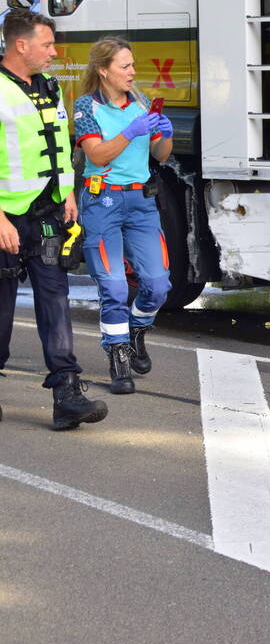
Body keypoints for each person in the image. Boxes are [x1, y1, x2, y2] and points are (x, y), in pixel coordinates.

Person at [0, 9, 108, 430]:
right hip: (6, 219)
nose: (54, 52)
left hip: (46, 214)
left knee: (55, 301)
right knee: (2, 313)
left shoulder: (47, 87)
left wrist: (67, 195)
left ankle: (67, 393)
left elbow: (59, 147)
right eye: (47, 44)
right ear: (20, 45)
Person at [74, 36, 174, 395]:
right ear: (104, 70)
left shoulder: (142, 102)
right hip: (102, 203)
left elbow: (161, 155)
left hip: (140, 203)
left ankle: (135, 330)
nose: (133, 72)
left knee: (158, 284)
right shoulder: (87, 106)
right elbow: (97, 156)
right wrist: (131, 132)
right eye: (125, 66)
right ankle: (118, 357)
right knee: (114, 285)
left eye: (133, 65)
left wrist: (164, 134)